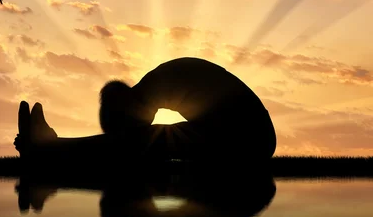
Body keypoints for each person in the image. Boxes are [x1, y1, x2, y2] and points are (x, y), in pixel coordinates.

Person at [15, 57, 276, 164]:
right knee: (151, 140)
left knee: (151, 140)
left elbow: (133, 143)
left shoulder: (164, 83)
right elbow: (134, 142)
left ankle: (46, 148)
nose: (137, 127)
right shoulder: (161, 82)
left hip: (249, 141)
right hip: (244, 136)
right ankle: (46, 147)